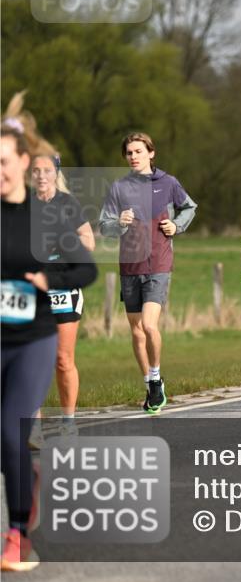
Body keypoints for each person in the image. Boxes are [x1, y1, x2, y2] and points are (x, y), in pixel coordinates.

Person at [2, 121, 97, 572]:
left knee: (13, 429)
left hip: (37, 329)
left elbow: (86, 267)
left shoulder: (56, 212)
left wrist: (48, 279)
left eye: (6, 162)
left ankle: (17, 534)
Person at [99, 133, 197, 415]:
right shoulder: (119, 188)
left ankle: (155, 377)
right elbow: (104, 225)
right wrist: (119, 221)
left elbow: (190, 207)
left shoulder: (168, 183)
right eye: (129, 152)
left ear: (151, 153)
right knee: (136, 330)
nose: (134, 156)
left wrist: (176, 226)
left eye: (139, 151)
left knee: (149, 325)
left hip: (159, 263)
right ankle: (151, 384)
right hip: (130, 265)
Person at [29, 149, 95, 435]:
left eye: (47, 170)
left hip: (64, 286)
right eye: (36, 171)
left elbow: (88, 241)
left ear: (56, 173)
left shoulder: (68, 204)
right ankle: (34, 425)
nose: (42, 176)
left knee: (62, 358)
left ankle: (68, 422)